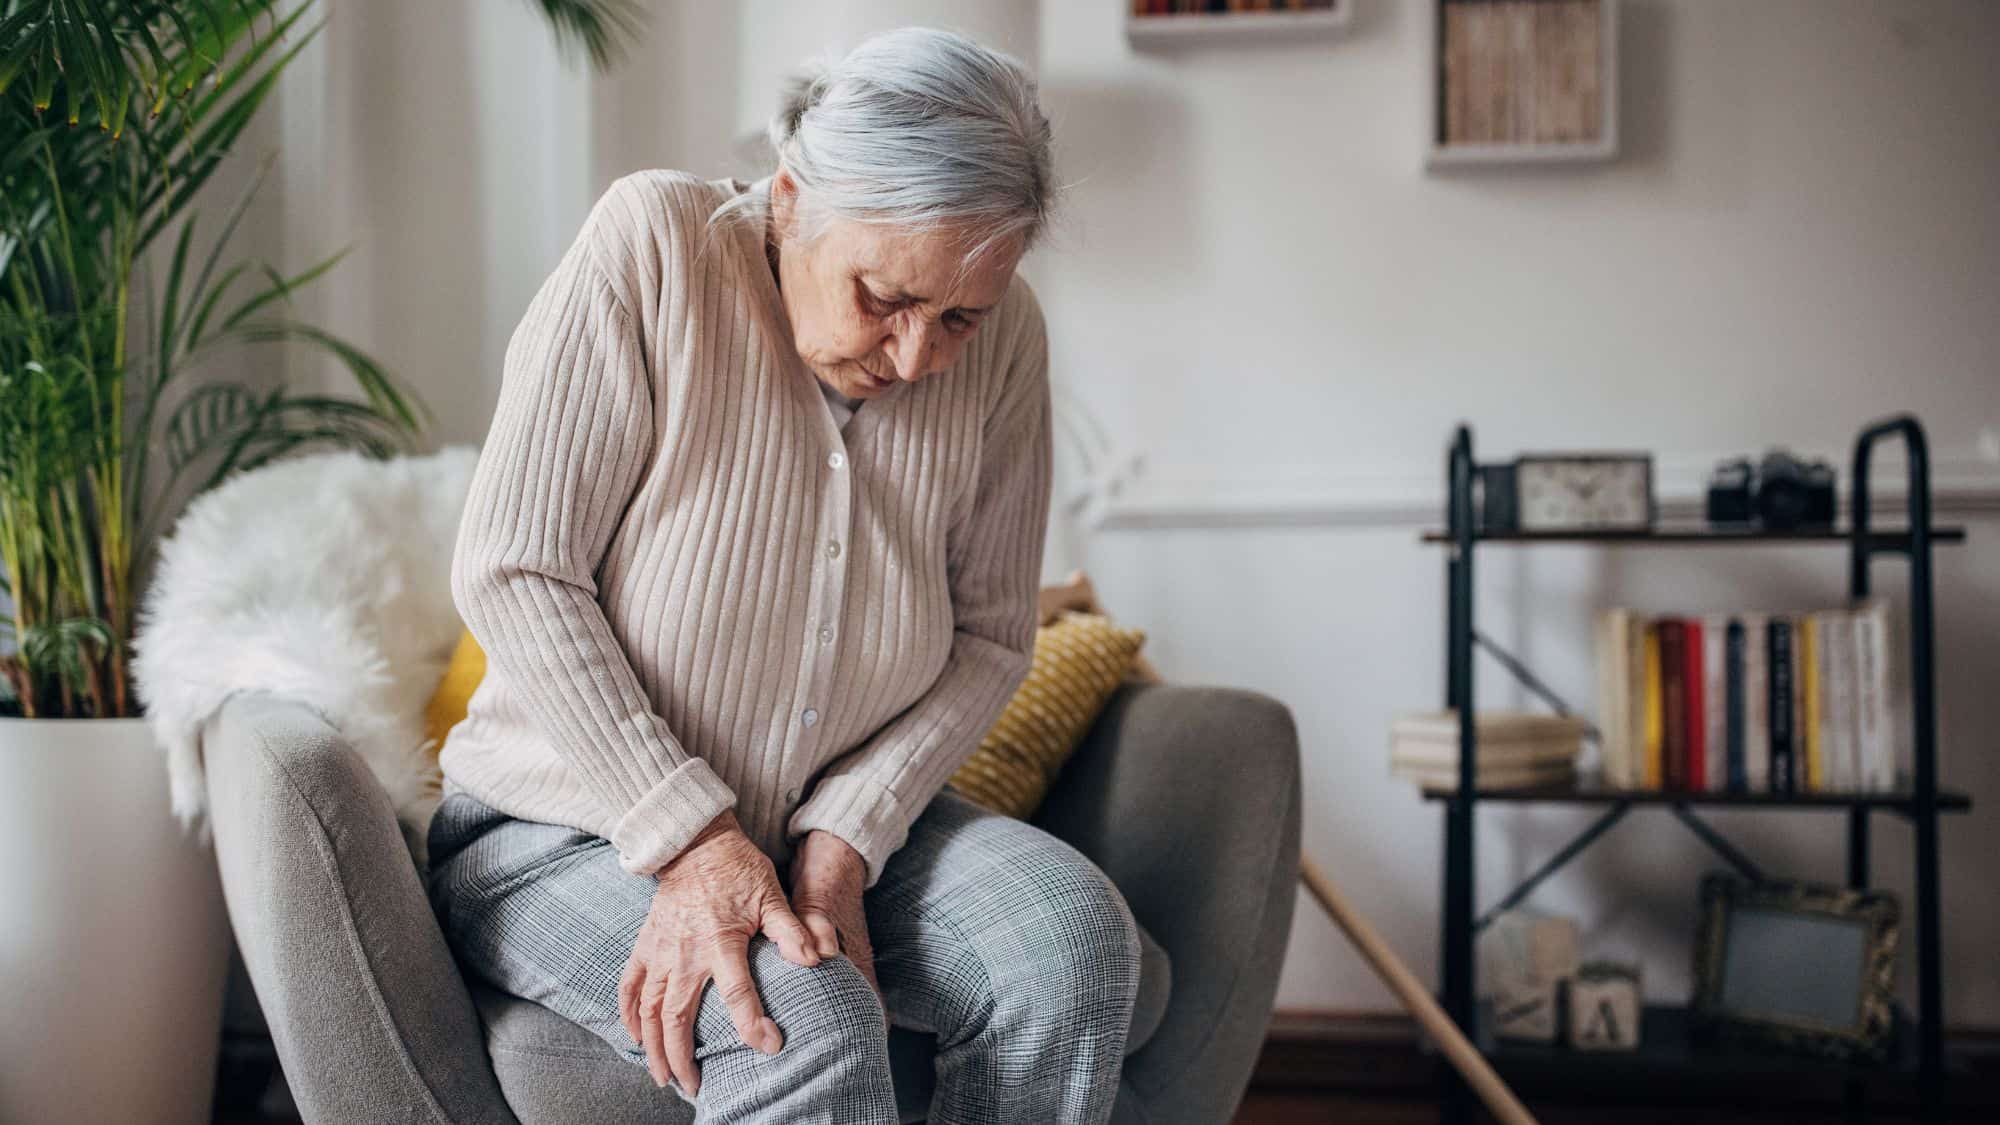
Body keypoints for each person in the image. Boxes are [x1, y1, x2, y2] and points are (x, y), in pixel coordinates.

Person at [425, 25, 1146, 1125]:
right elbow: (517, 567)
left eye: (959, 315)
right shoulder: (653, 241)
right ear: (793, 197)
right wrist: (695, 839)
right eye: (882, 297)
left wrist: (850, 828)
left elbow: (993, 634)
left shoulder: (1008, 344)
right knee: (796, 1016)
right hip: (563, 831)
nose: (916, 358)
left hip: (846, 830)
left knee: (1071, 943)